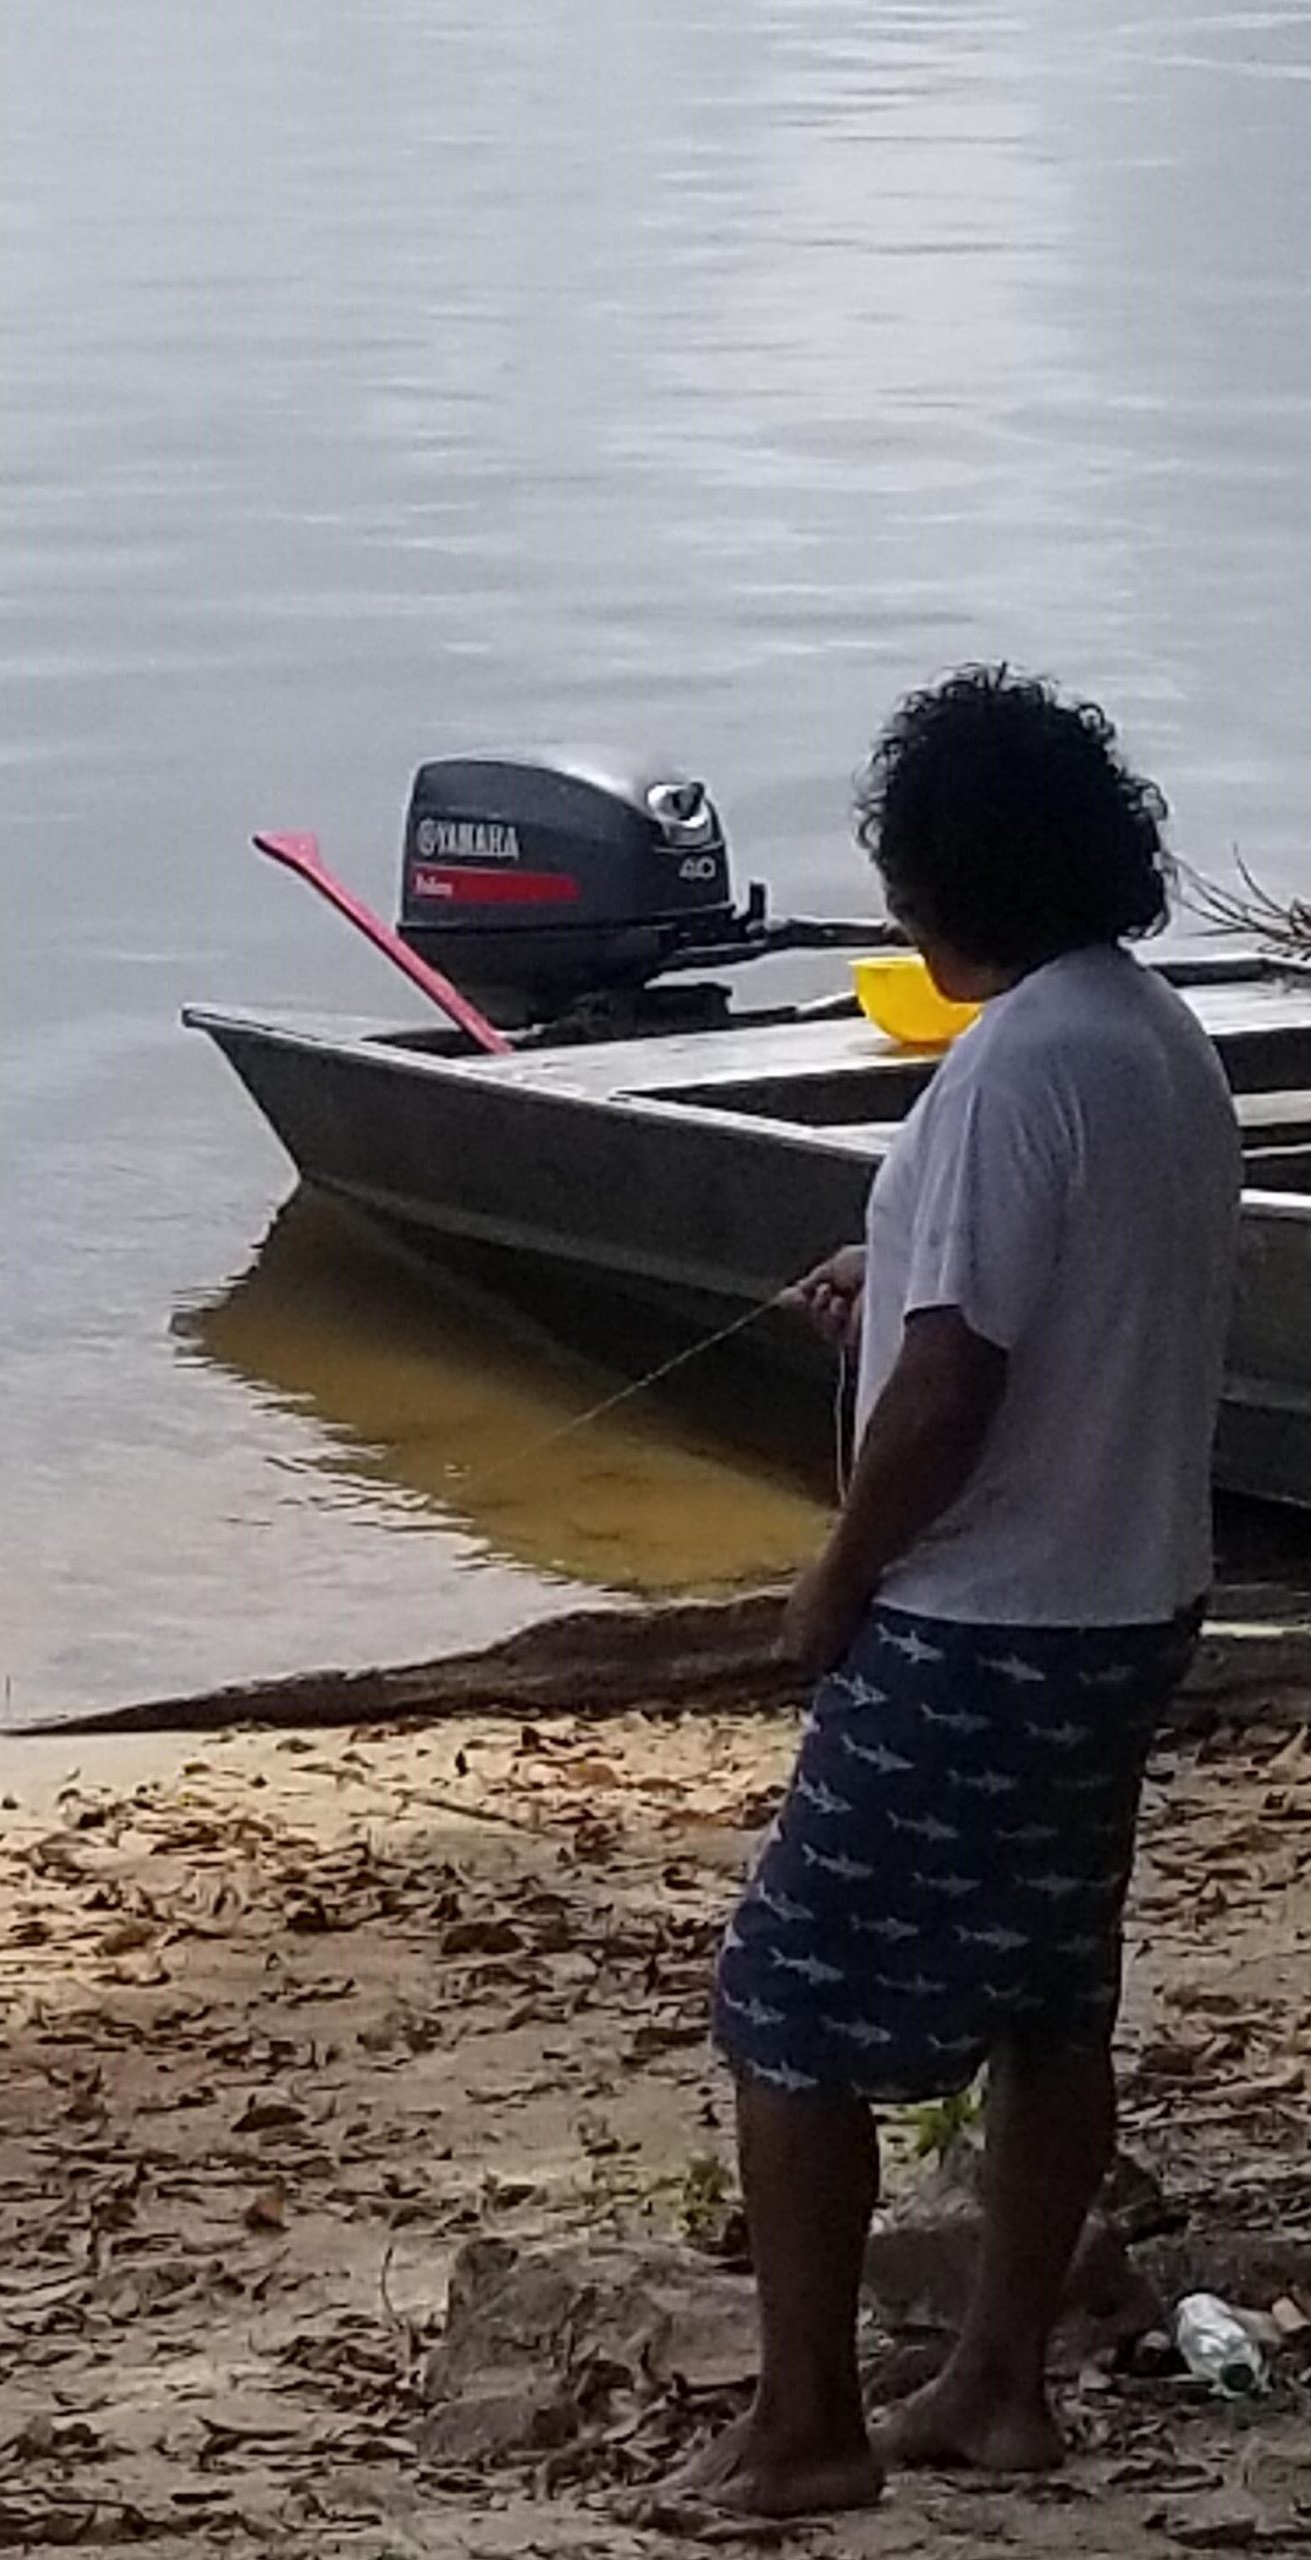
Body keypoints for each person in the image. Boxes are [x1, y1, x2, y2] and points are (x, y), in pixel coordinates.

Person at [678, 666, 1244, 2517]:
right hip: (1127, 1597)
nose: (897, 895)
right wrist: (898, 1244)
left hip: (982, 1620)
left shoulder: (1012, 1069)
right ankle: (998, 2382)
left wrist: (834, 1580)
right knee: (1043, 1993)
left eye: (903, 865)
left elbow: (952, 1382)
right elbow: (1043, 1284)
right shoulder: (1151, 1038)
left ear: (949, 875)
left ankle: (809, 2428)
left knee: (788, 2001)